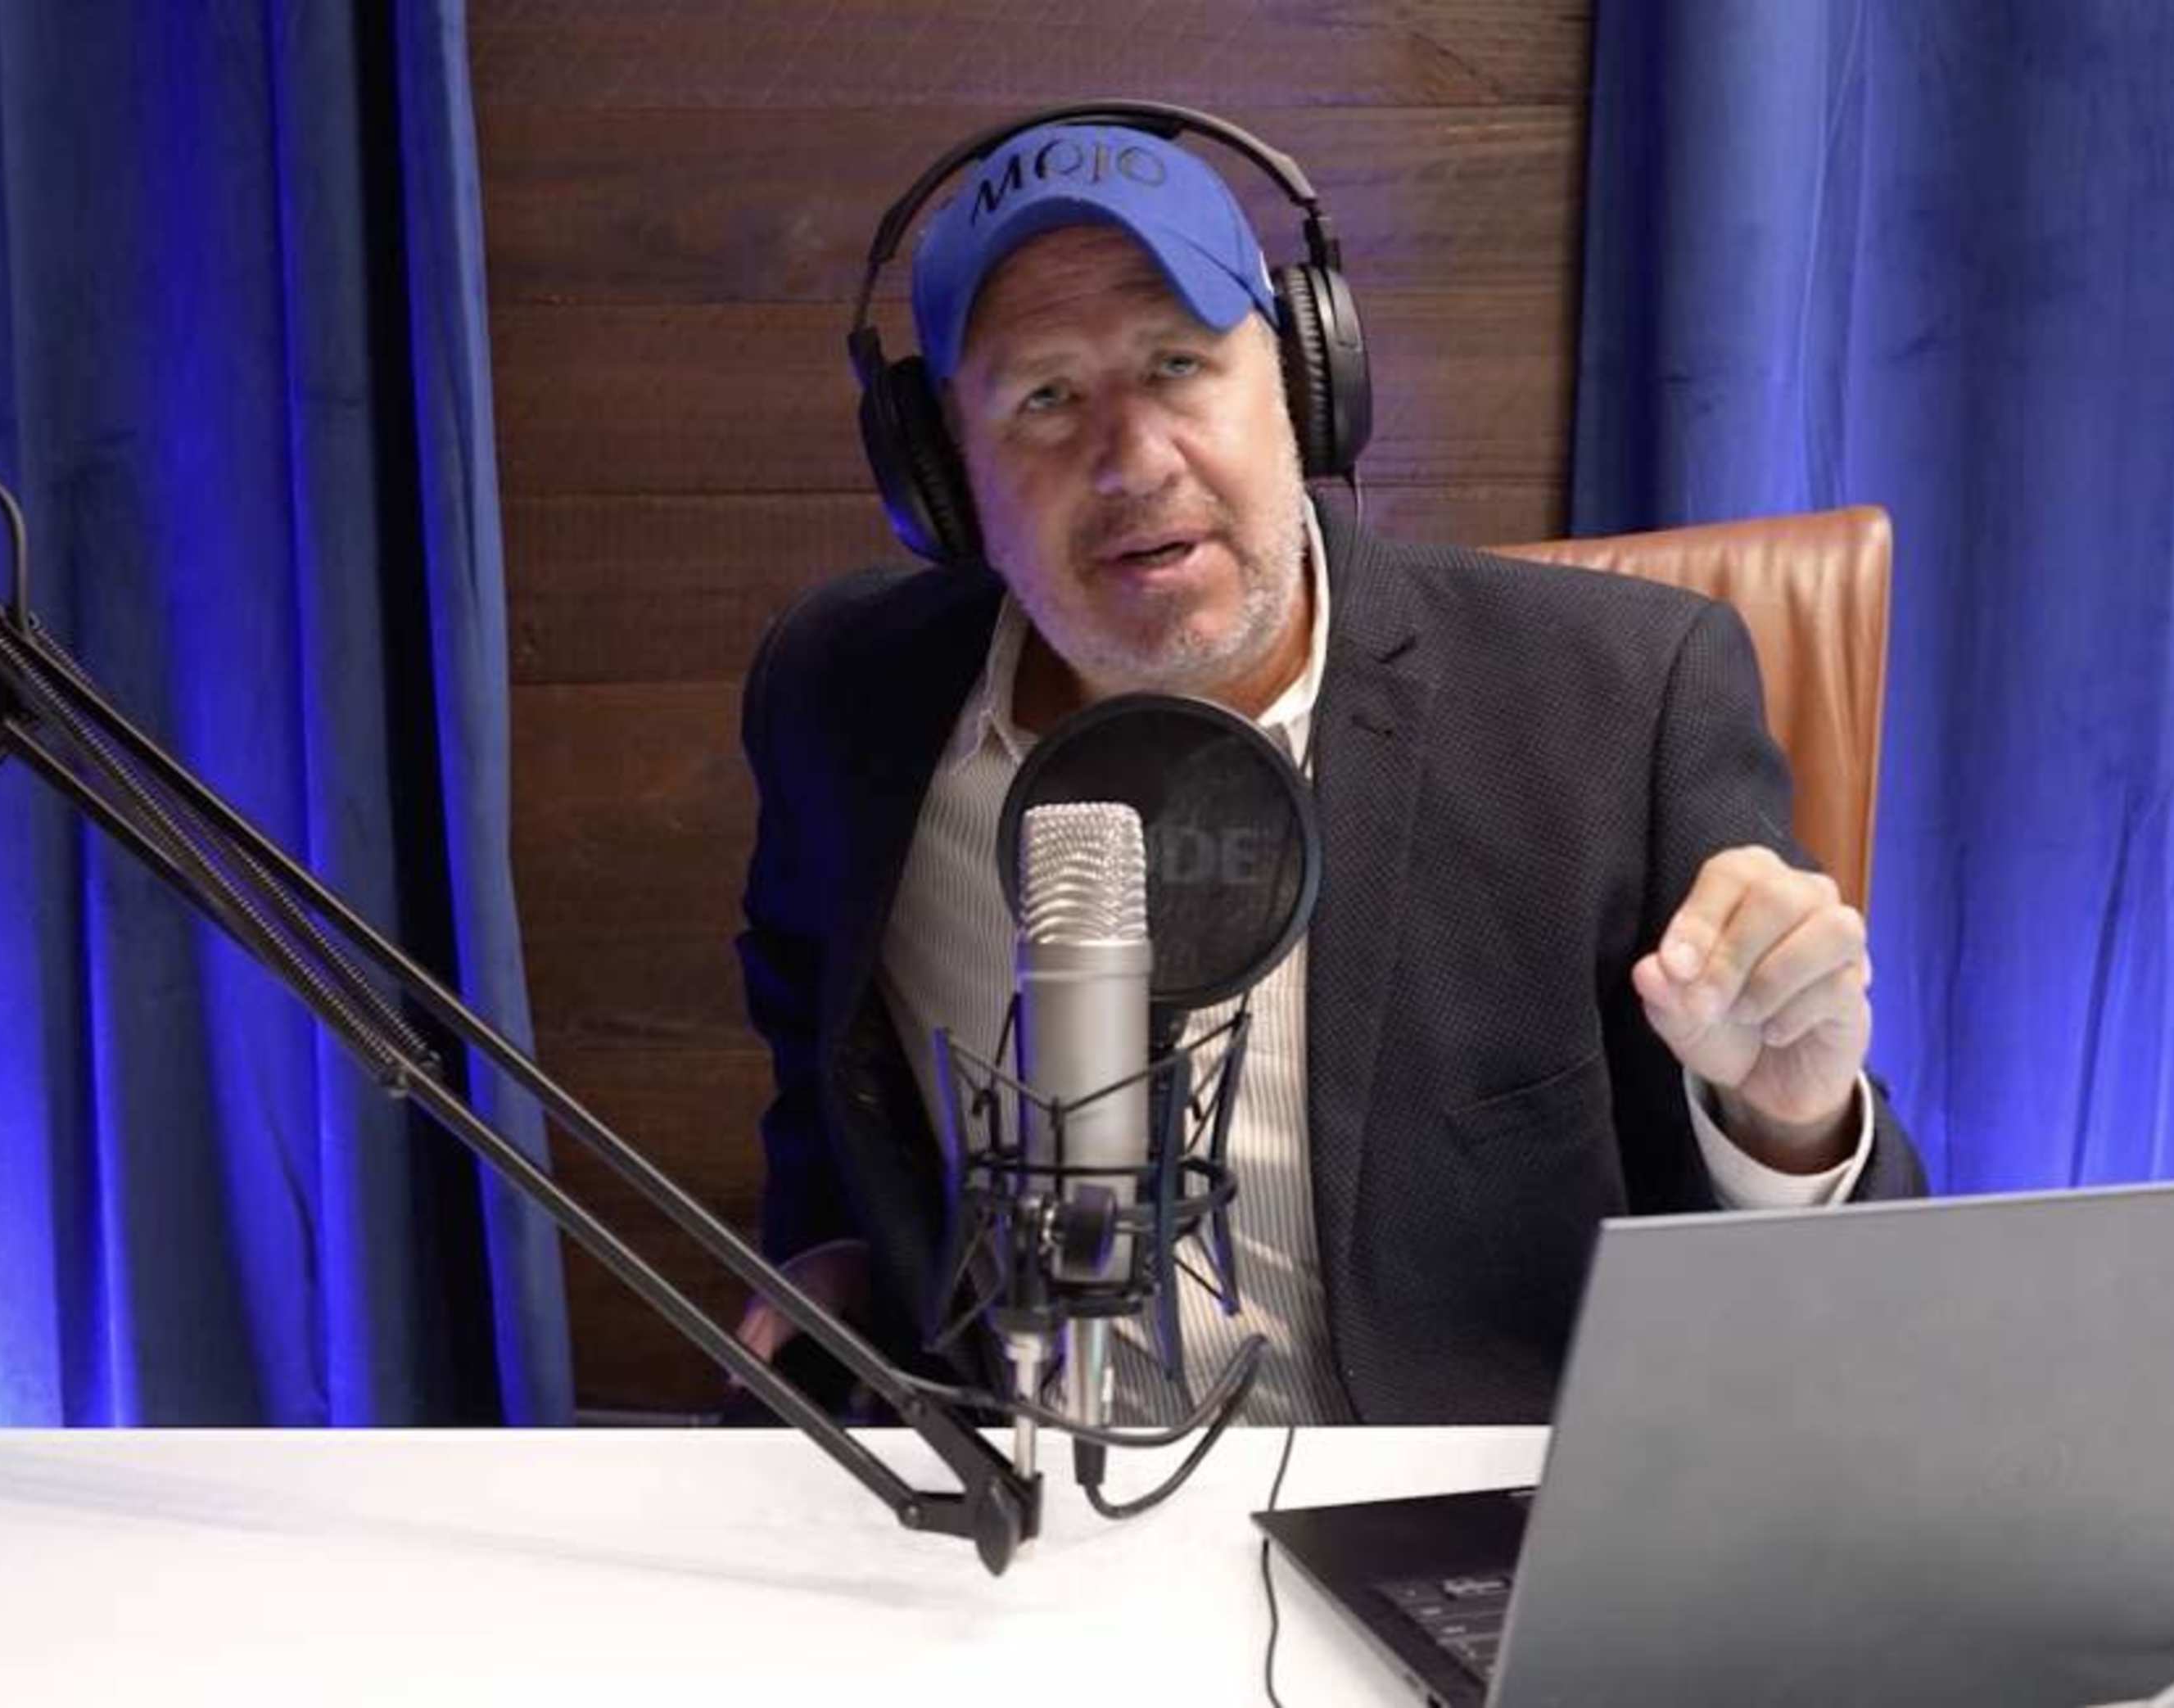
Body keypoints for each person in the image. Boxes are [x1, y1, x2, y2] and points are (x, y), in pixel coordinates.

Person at [733, 111, 1924, 1426]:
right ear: (942, 473)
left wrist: (1789, 1131)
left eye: (1179, 363)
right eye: (1046, 397)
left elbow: (1839, 1329)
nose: (1131, 460)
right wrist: (828, 1247)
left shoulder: (1614, 701)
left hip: (1445, 1533)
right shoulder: (840, 698)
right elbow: (813, 1031)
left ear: (1304, 386)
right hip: (1005, 1523)